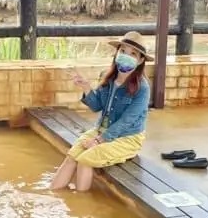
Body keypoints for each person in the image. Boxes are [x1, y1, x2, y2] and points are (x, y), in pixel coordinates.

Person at [51, 33, 151, 192]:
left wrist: (99, 141)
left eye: (133, 54)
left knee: (85, 160)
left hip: (128, 138)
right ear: (117, 53)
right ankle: (51, 194)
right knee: (72, 156)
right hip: (101, 130)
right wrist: (86, 88)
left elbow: (127, 121)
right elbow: (97, 106)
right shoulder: (108, 77)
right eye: (123, 51)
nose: (126, 56)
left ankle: (80, 205)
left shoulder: (142, 89)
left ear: (140, 60)